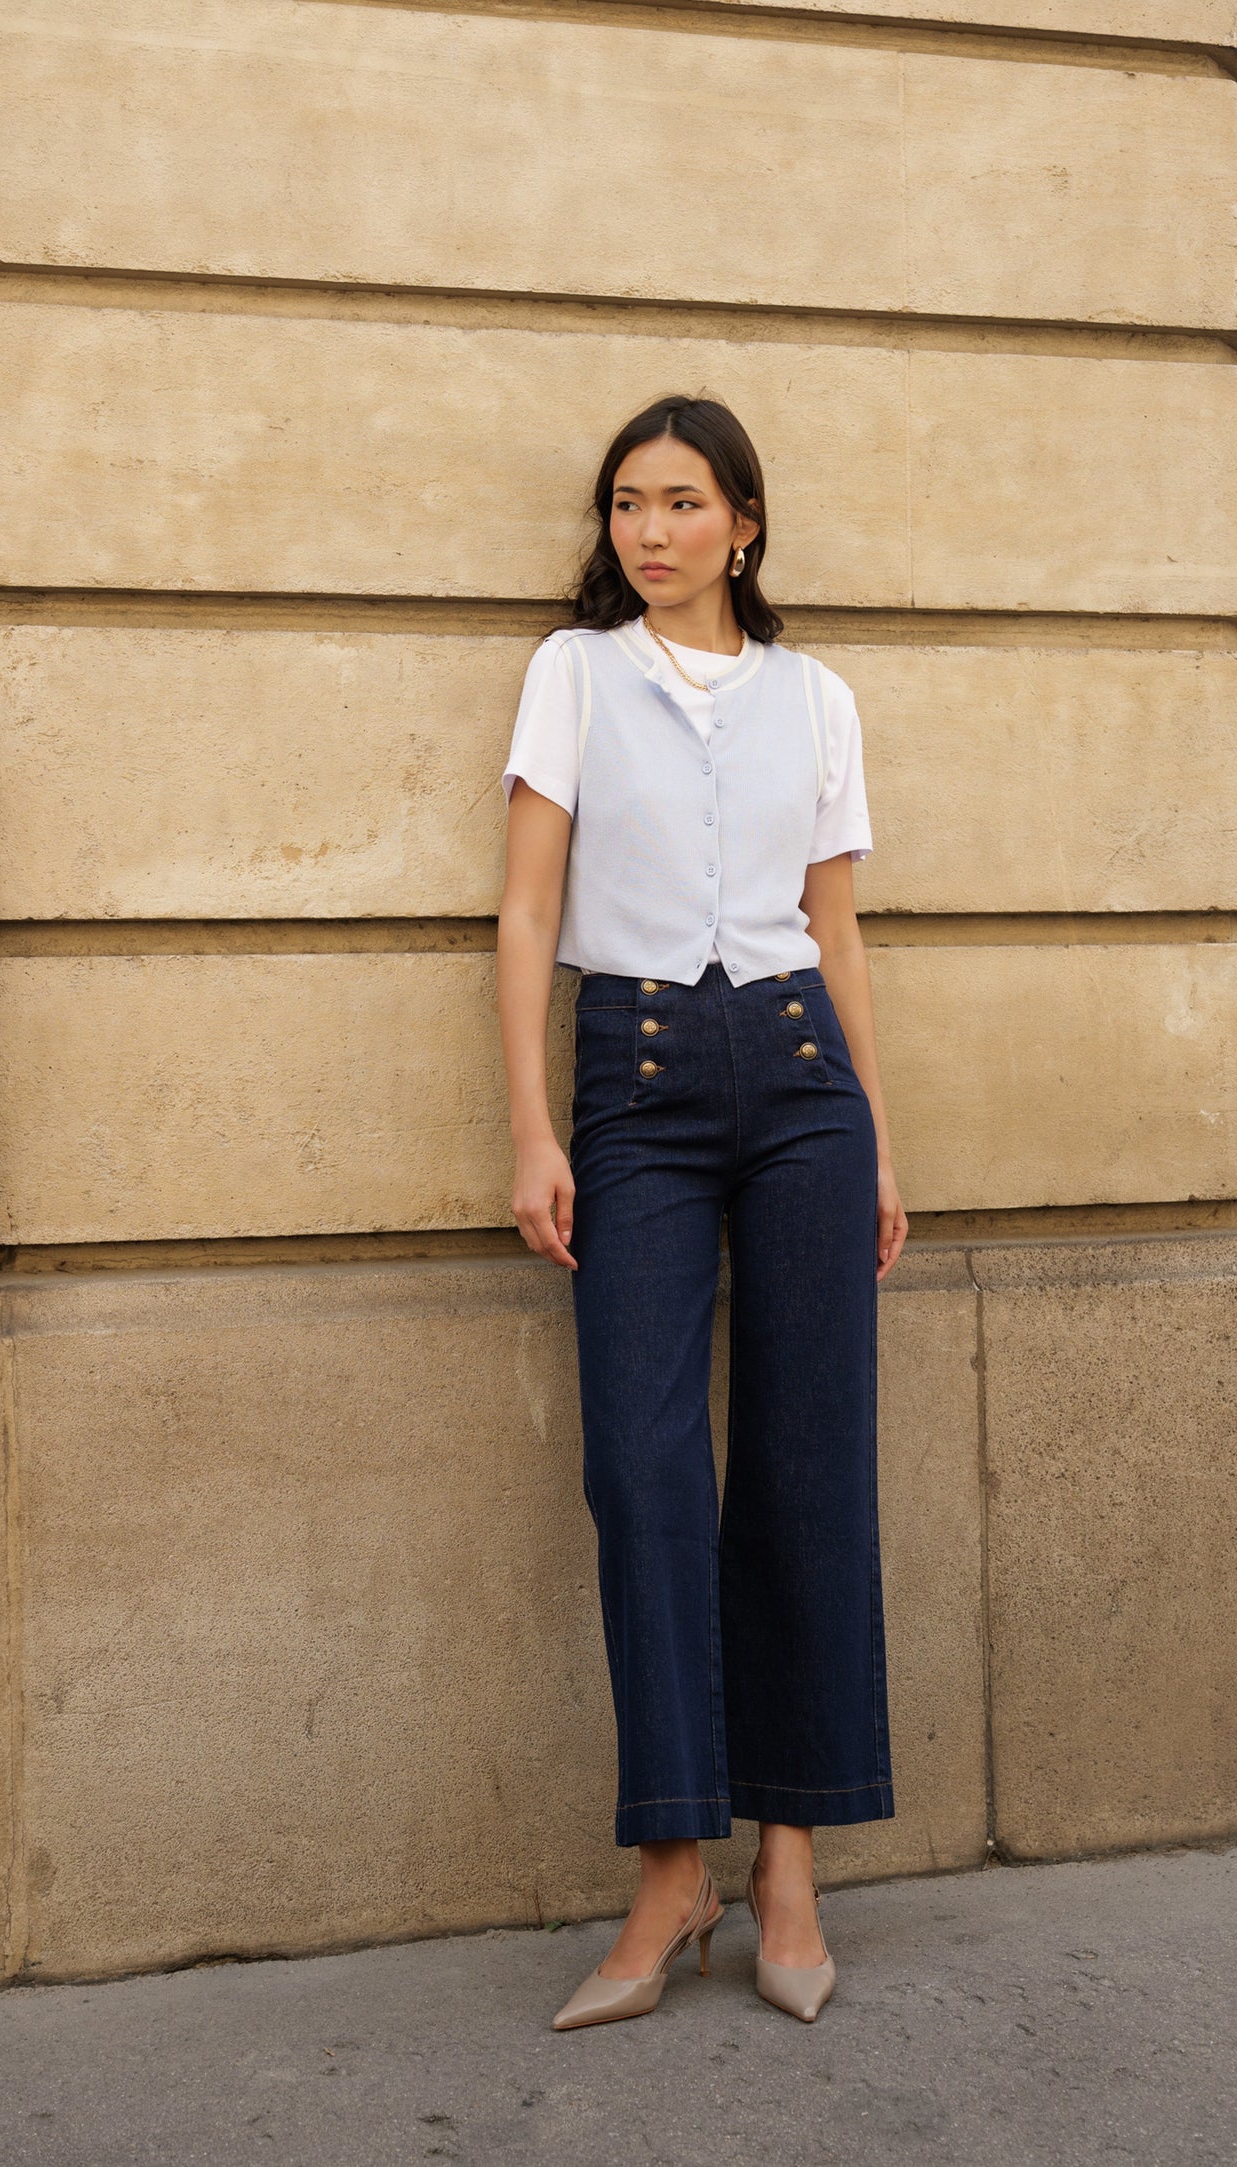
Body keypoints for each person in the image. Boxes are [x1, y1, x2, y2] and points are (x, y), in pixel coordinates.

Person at [496, 394, 908, 2029]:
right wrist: (533, 1129)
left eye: (680, 502)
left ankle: (787, 1862)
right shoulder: (573, 672)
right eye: (625, 503)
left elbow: (836, 928)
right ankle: (672, 1869)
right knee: (642, 1464)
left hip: (802, 1080)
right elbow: (526, 908)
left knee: (809, 1462)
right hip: (637, 1077)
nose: (647, 531)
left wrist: (877, 1142)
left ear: (744, 523)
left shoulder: (816, 698)